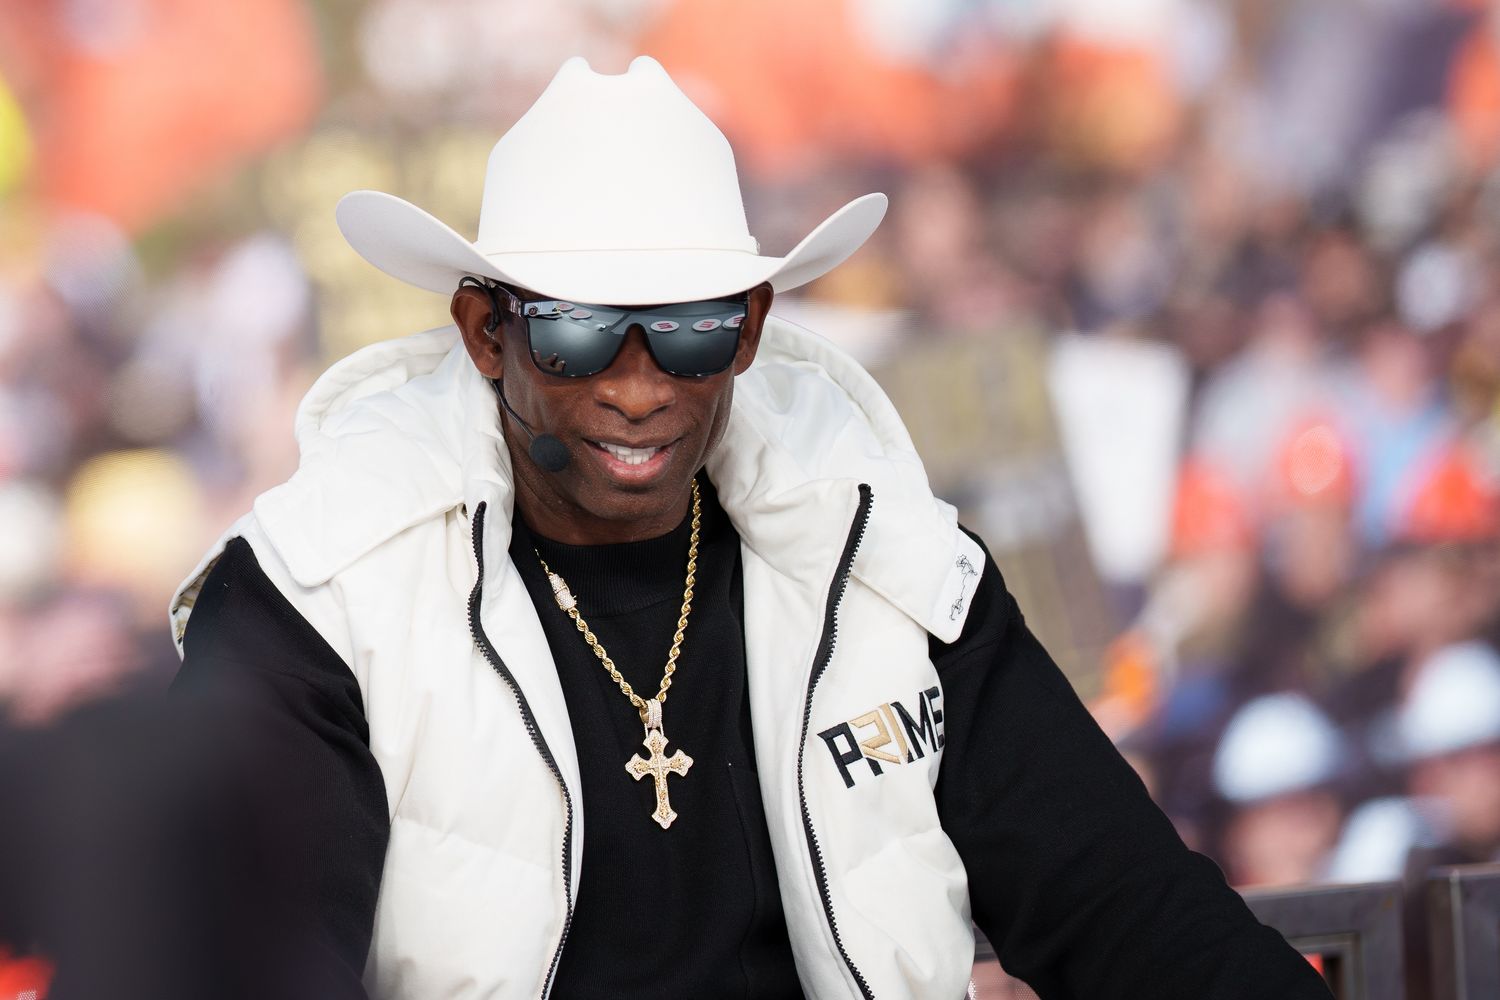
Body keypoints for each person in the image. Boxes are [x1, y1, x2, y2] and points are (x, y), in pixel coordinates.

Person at [168, 56, 1332, 999]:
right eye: (577, 335)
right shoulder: (319, 593)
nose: (638, 387)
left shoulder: (879, 551)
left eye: (689, 330)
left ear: (755, 326)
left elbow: (1124, 907)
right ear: (485, 332)